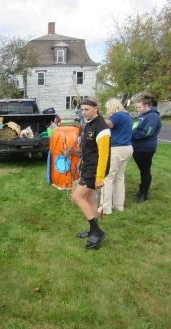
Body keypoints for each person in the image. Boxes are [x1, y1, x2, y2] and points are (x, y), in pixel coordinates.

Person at [72, 98, 110, 249]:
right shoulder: (89, 124)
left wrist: (99, 177)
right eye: (82, 110)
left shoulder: (102, 127)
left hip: (94, 170)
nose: (84, 112)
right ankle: (92, 230)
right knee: (89, 198)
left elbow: (104, 155)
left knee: (77, 196)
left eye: (87, 109)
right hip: (87, 167)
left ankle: (96, 231)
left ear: (96, 108)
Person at [99, 98, 133, 214]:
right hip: (127, 148)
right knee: (119, 177)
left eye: (109, 109)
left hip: (117, 149)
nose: (108, 112)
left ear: (114, 107)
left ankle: (106, 207)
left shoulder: (118, 115)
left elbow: (108, 123)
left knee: (108, 178)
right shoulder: (127, 116)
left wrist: (98, 118)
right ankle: (119, 205)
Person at [132, 93, 162, 202]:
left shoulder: (153, 116)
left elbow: (147, 132)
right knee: (142, 170)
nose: (137, 109)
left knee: (145, 170)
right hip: (136, 147)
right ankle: (141, 190)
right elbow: (133, 128)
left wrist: (132, 135)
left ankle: (144, 193)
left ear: (147, 105)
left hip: (146, 149)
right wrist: (132, 134)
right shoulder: (140, 116)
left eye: (139, 107)